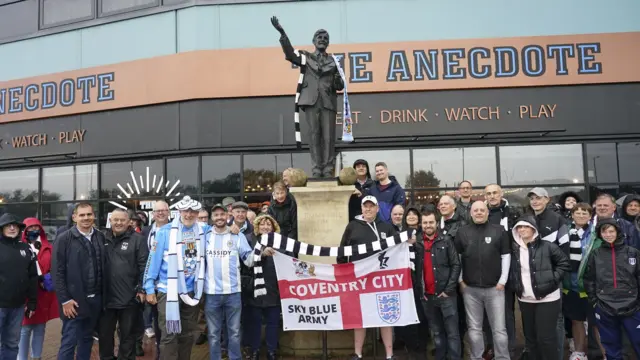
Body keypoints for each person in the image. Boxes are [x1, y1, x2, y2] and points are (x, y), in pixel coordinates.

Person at [144, 196, 208, 360]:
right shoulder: (165, 232)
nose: (188, 214)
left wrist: (234, 228)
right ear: (179, 211)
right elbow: (153, 261)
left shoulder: (203, 230)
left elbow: (223, 231)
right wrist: (149, 288)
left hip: (192, 292)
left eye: (192, 211)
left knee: (187, 335)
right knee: (169, 335)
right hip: (168, 292)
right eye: (185, 211)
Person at [203, 203, 268, 360]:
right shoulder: (204, 236)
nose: (219, 217)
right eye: (216, 215)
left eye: (222, 214)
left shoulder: (237, 236)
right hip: (211, 294)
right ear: (212, 218)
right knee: (213, 334)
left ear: (227, 216)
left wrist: (261, 252)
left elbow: (248, 260)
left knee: (234, 332)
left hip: (233, 292)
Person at [338, 195, 399, 360]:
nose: (368, 209)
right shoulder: (352, 226)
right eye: (366, 206)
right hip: (360, 280)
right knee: (360, 317)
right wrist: (345, 274)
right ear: (362, 208)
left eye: (372, 206)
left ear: (377, 209)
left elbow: (399, 248)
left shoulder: (386, 227)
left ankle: (389, 355)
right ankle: (357, 353)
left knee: (385, 317)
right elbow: (342, 252)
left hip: (382, 280)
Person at [509, 215, 570, 360]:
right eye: (519, 227)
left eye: (526, 226)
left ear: (534, 229)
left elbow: (564, 263)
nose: (522, 230)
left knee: (546, 338)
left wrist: (553, 280)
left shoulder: (548, 246)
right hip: (525, 299)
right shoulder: (514, 250)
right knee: (530, 339)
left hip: (548, 298)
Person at [455, 201, 511, 360]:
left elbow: (506, 255)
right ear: (471, 213)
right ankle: (476, 357)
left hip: (495, 288)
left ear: (487, 213)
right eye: (476, 210)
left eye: (482, 210)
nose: (479, 212)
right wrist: (461, 281)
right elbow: (457, 259)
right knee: (474, 329)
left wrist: (503, 280)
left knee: (499, 330)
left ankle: (502, 357)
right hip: (470, 290)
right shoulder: (462, 232)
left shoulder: (499, 230)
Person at [52, 203, 106, 360]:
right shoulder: (64, 239)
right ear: (74, 217)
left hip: (96, 299)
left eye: (89, 214)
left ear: (94, 216)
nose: (86, 218)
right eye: (82, 215)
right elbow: (57, 272)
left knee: (87, 339)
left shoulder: (100, 236)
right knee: (69, 342)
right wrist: (65, 300)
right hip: (73, 302)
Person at [584, 218, 640, 360]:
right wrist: (594, 301)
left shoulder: (632, 252)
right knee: (610, 345)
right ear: (600, 234)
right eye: (604, 231)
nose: (608, 234)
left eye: (611, 231)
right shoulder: (595, 254)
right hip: (605, 306)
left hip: (632, 306)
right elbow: (589, 279)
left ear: (618, 232)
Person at [99, 209, 149, 360]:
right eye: (115, 220)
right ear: (110, 221)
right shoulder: (102, 238)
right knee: (105, 337)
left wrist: (141, 288)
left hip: (129, 298)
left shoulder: (138, 240)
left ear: (129, 222)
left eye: (122, 220)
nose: (119, 223)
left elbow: (144, 266)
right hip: (106, 298)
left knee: (128, 338)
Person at [416, 210, 462, 360]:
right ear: (421, 224)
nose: (428, 225)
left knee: (453, 333)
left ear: (436, 223)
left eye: (430, 222)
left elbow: (456, 265)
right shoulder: (417, 243)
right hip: (427, 297)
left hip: (446, 295)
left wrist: (448, 290)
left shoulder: (446, 240)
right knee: (436, 333)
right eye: (425, 223)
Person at [18, 217, 58, 360]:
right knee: (24, 329)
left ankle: (37, 356)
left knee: (40, 328)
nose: (33, 230)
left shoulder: (49, 247)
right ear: (25, 230)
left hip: (43, 293)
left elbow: (56, 267)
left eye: (36, 228)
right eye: (30, 228)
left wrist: (47, 278)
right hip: (26, 294)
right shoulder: (20, 247)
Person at [0, 214, 38, 360]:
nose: (11, 228)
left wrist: (33, 302)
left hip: (18, 306)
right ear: (2, 228)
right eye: (8, 225)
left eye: (14, 225)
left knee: (12, 343)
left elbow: (33, 276)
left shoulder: (26, 248)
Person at [246, 214, 282, 360]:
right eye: (262, 224)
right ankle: (254, 350)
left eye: (269, 224)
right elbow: (246, 261)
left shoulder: (281, 243)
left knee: (273, 322)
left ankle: (271, 351)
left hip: (274, 287)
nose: (265, 227)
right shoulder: (250, 241)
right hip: (255, 287)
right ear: (257, 226)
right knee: (254, 322)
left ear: (274, 227)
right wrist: (261, 254)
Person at [141, 200, 170, 356]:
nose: (160, 213)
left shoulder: (175, 230)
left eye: (163, 210)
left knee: (163, 323)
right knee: (151, 319)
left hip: (167, 285)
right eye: (157, 211)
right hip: (150, 284)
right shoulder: (145, 232)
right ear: (152, 214)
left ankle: (162, 353)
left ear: (169, 212)